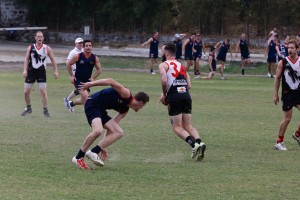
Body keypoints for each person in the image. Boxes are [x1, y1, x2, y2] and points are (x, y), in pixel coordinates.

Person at [71, 78, 149, 169]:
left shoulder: (124, 110)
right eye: (143, 106)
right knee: (98, 130)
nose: (141, 109)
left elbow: (111, 128)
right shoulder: (126, 94)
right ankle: (78, 157)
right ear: (140, 103)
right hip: (92, 104)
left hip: (101, 111)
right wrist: (91, 84)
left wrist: (102, 145)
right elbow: (110, 81)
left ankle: (94, 151)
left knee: (118, 132)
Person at [159, 43, 206, 160]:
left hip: (174, 97)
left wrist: (164, 95)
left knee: (177, 127)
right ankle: (200, 142)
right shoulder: (182, 66)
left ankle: (193, 144)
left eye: (162, 51)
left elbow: (164, 81)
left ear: (166, 53)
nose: (161, 53)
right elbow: (189, 85)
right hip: (186, 95)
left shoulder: (163, 65)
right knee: (188, 125)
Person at [21, 31, 59, 117]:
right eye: (38, 37)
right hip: (31, 71)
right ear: (35, 38)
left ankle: (45, 110)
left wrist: (56, 71)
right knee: (26, 92)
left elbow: (53, 59)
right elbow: (26, 59)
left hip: (41, 72)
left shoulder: (47, 48)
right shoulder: (30, 47)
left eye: (41, 37)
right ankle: (28, 108)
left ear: (43, 38)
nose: (40, 38)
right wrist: (25, 70)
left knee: (43, 92)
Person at [273, 39, 300, 150]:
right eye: (288, 48)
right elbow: (277, 79)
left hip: (298, 93)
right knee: (287, 118)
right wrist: (275, 94)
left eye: (292, 48)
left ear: (297, 49)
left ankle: (298, 134)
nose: (289, 50)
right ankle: (279, 142)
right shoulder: (282, 62)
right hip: (287, 94)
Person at [65, 40, 102, 113]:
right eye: (86, 46)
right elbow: (69, 64)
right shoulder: (78, 56)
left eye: (90, 46)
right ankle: (92, 112)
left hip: (87, 82)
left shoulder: (94, 58)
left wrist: (93, 78)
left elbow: (99, 69)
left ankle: (70, 104)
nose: (88, 47)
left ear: (92, 47)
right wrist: (72, 76)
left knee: (82, 100)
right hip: (78, 80)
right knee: (87, 98)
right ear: (83, 47)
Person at [63, 38, 84, 105]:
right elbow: (67, 62)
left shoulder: (84, 51)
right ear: (75, 44)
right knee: (84, 91)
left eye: (81, 43)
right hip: (76, 74)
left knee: (81, 90)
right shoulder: (73, 52)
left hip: (83, 73)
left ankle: (67, 100)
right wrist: (71, 75)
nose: (80, 44)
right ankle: (86, 107)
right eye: (79, 43)